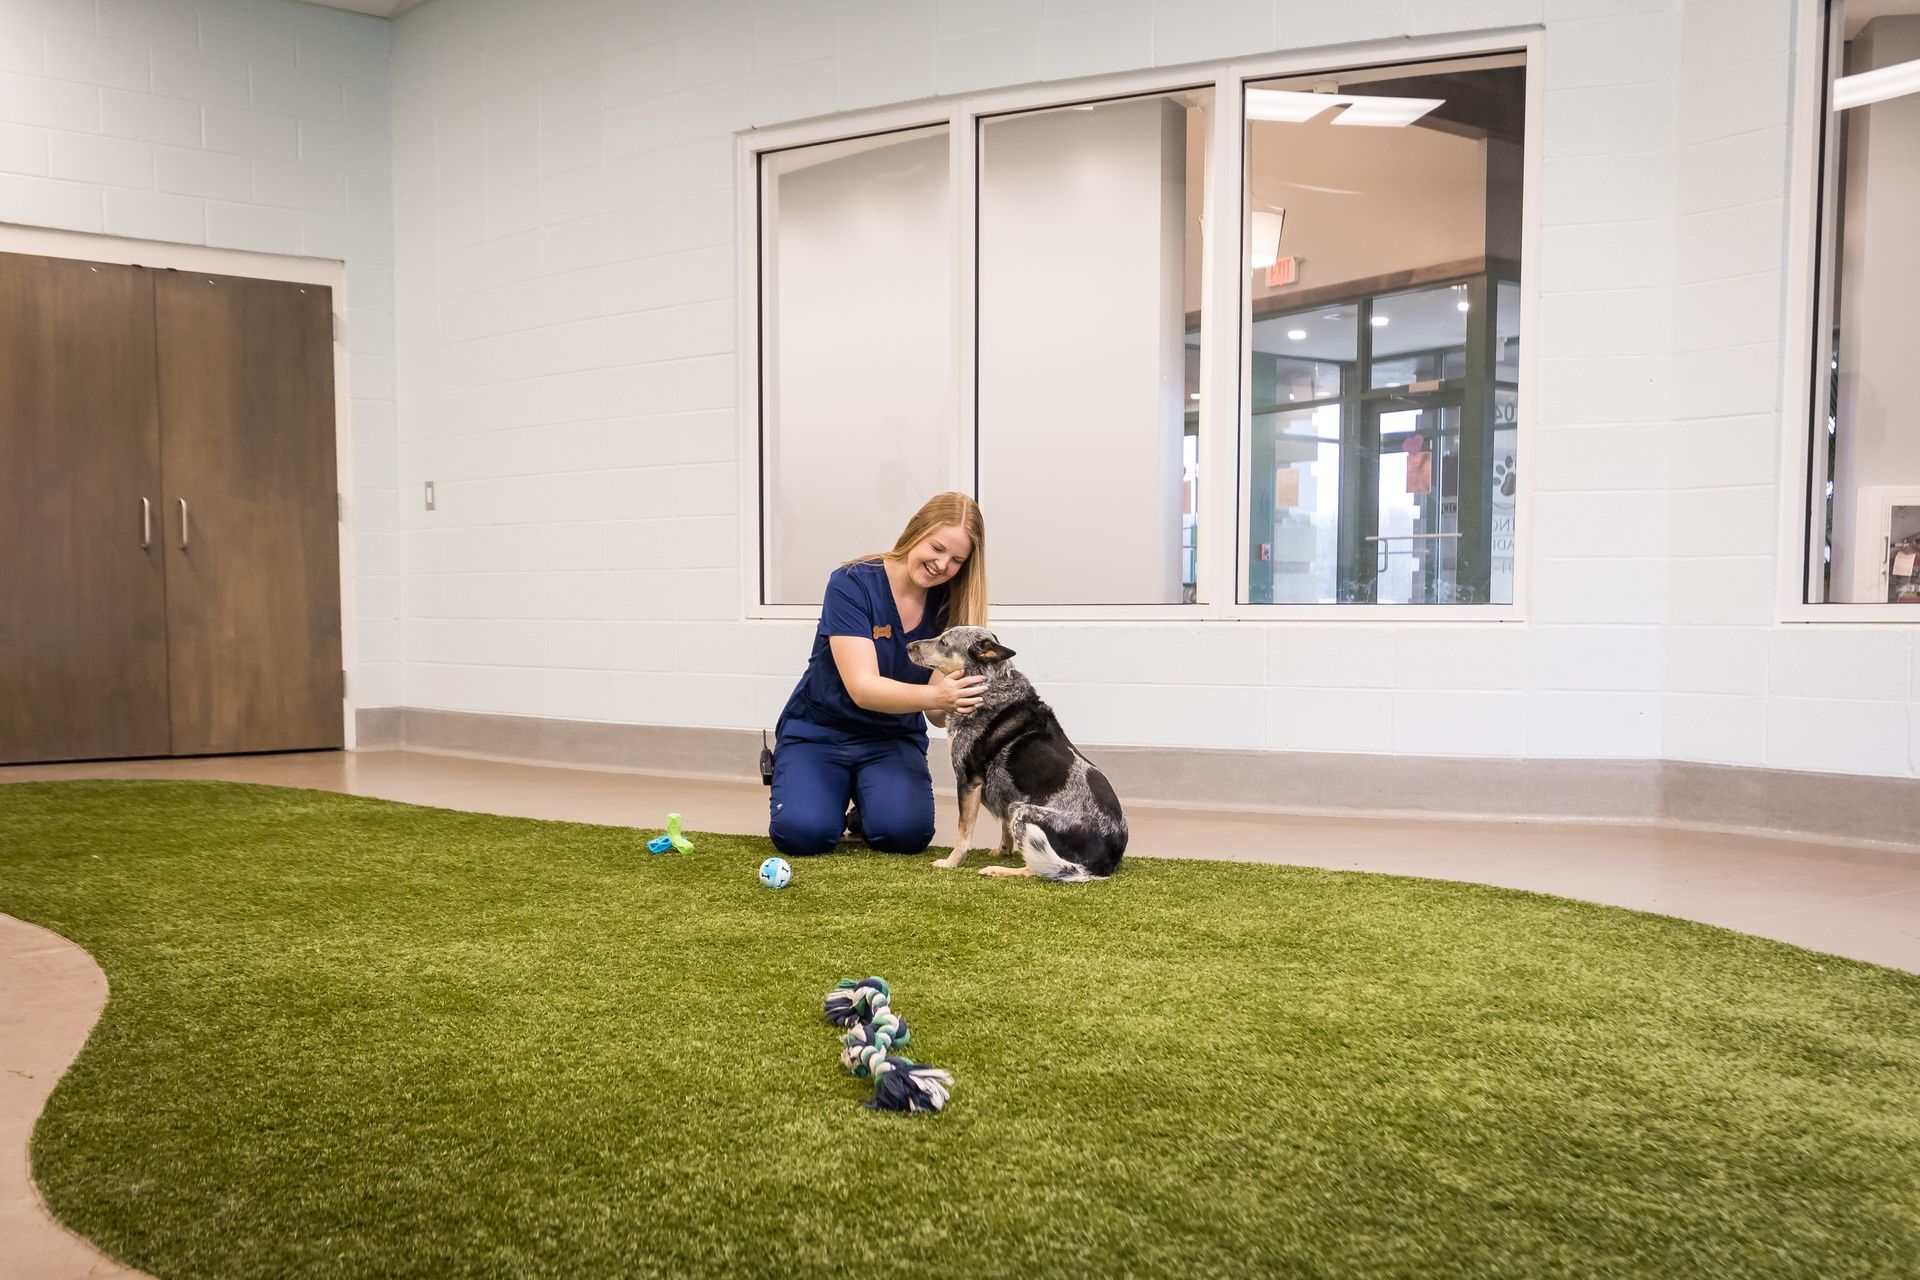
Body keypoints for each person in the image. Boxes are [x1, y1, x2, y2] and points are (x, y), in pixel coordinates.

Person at [768, 492, 989, 857]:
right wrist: (938, 697)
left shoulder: (951, 605)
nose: (941, 564)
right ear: (915, 531)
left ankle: (864, 808)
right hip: (820, 732)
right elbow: (862, 688)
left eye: (956, 560)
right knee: (803, 833)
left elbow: (936, 715)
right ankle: (814, 789)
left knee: (905, 835)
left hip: (892, 737)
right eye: (936, 548)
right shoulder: (851, 582)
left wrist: (963, 697)